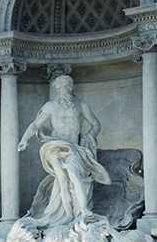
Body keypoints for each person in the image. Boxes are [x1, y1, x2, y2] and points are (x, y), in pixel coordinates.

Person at [18, 75, 110, 228]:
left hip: (74, 147)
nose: (63, 90)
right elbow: (35, 124)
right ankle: (65, 214)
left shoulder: (81, 106)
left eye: (65, 87)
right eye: (60, 88)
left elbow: (96, 124)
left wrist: (90, 136)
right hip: (55, 146)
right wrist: (24, 139)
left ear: (71, 87)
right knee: (62, 180)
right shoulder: (51, 106)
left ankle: (82, 209)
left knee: (73, 173)